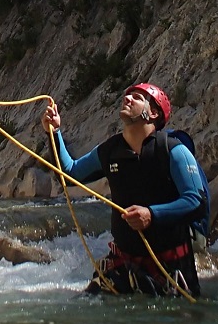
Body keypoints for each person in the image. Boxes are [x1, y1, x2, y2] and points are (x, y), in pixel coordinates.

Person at [41, 82, 204, 297]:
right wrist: (54, 132)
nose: (127, 99)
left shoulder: (173, 150)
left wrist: (151, 215)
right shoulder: (110, 150)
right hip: (123, 264)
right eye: (127, 96)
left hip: (170, 268)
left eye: (137, 97)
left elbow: (195, 202)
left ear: (153, 112)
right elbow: (69, 174)